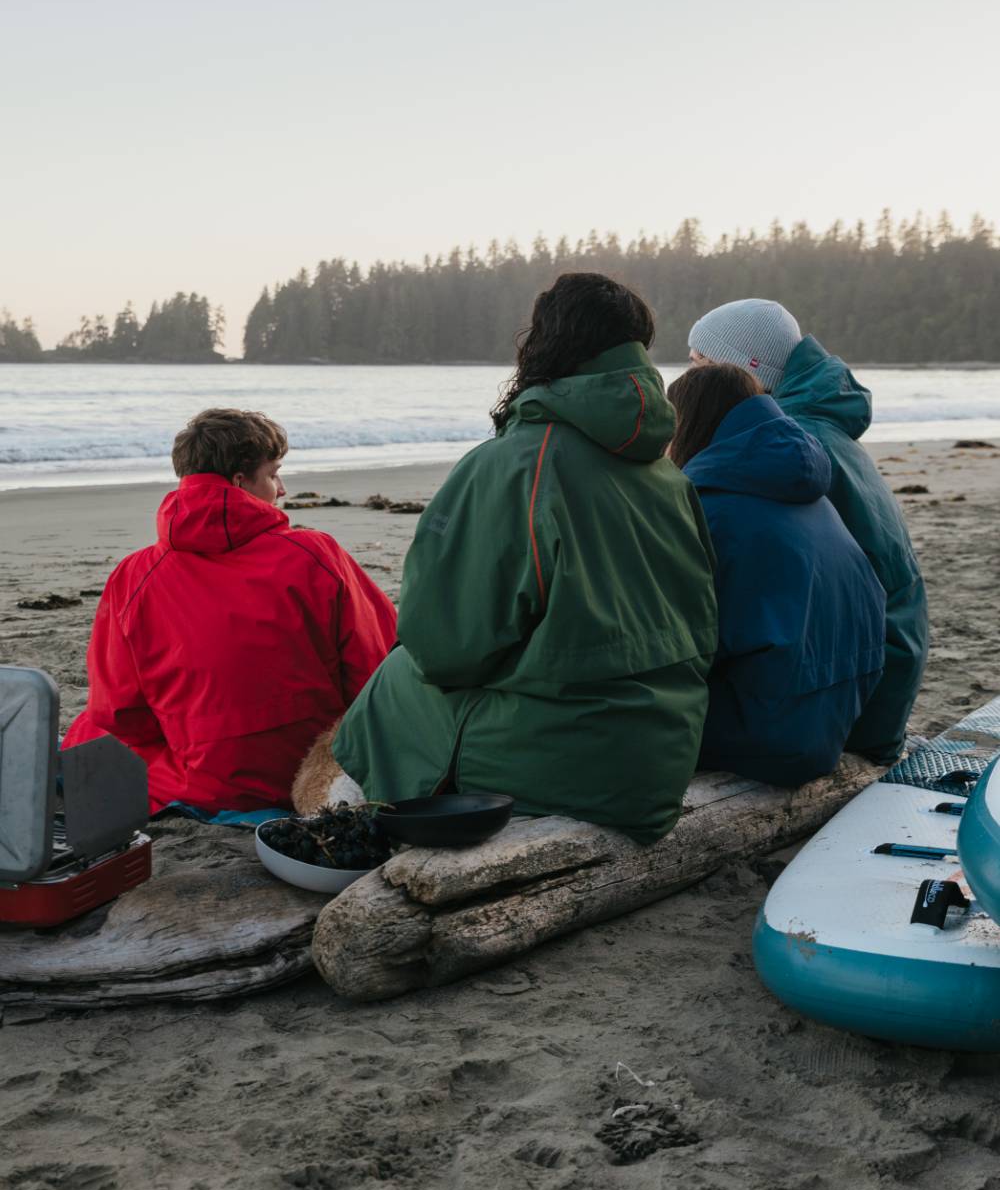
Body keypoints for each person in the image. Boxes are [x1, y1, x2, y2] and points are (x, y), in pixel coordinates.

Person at [332, 273, 719, 844]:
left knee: (394, 678)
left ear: (542, 346)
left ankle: (369, 815)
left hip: (568, 768)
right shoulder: (666, 473)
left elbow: (447, 649)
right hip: (661, 750)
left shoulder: (515, 464)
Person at [63, 408, 396, 814]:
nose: (283, 488)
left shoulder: (134, 574)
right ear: (240, 483)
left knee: (87, 731)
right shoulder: (316, 554)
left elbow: (120, 711)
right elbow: (378, 669)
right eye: (273, 474)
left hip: (204, 776)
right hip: (312, 767)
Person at [686, 298, 928, 764]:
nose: (688, 378)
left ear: (739, 372)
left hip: (863, 696)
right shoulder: (812, 436)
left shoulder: (790, 448)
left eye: (700, 363)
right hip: (887, 667)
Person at [667, 364, 886, 785]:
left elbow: (684, 648)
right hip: (834, 720)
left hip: (769, 736)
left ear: (688, 423)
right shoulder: (807, 491)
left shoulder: (711, 510)